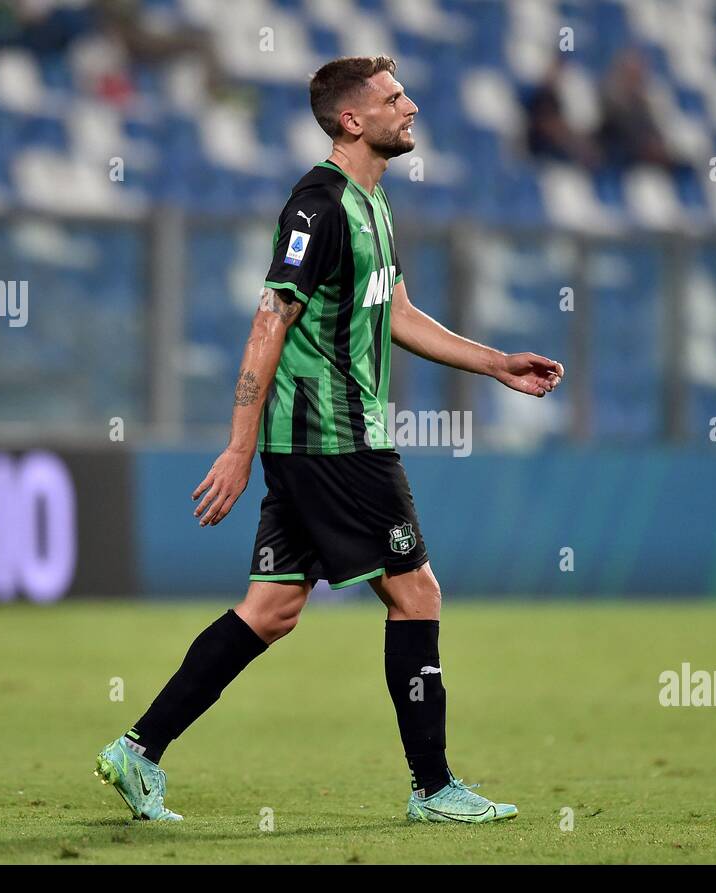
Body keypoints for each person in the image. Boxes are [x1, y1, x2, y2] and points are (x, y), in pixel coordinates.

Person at [96, 55, 565, 824]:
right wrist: (239, 447)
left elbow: (398, 313)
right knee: (416, 593)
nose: (410, 106)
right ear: (353, 120)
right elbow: (268, 321)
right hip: (336, 438)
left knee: (271, 608)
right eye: (393, 98)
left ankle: (137, 751)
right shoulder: (317, 207)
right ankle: (433, 786)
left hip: (320, 442)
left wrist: (495, 362)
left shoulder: (372, 203)